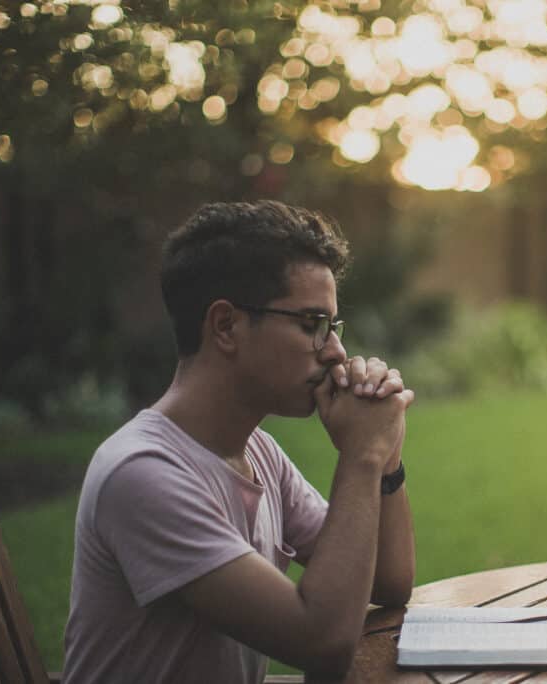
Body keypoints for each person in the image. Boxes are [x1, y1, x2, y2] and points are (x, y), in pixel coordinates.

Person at [62, 201, 416, 683]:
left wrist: (386, 459)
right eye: (311, 324)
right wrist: (361, 456)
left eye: (332, 327)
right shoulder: (143, 473)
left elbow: (389, 583)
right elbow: (322, 641)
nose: (335, 352)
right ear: (226, 326)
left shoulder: (257, 452)